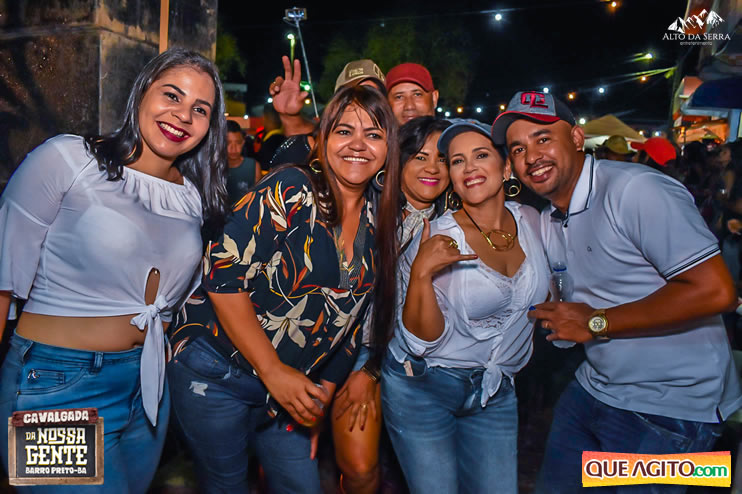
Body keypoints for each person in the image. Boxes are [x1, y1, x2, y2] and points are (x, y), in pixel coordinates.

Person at [0, 48, 229, 492]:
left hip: (147, 390)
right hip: (56, 384)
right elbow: (3, 276)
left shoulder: (191, 196)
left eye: (200, 109)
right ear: (142, 92)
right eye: (172, 95)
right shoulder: (69, 159)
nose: (183, 115)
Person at [491, 90, 742, 493]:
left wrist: (596, 322)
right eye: (518, 148)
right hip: (596, 387)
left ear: (576, 138)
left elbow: (716, 291)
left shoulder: (635, 190)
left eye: (543, 138)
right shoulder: (551, 219)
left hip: (672, 410)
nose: (531, 156)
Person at [166, 84, 400, 494]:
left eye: (373, 134)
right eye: (344, 131)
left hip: (291, 391)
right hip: (216, 373)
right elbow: (221, 275)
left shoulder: (377, 220)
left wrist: (318, 400)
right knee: (227, 486)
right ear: (321, 140)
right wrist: (272, 371)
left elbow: (348, 325)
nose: (357, 144)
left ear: (388, 149)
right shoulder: (292, 188)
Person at [382, 119, 549, 494]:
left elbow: (556, 283)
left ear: (505, 168)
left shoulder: (533, 222)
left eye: (481, 155)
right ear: (453, 179)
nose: (469, 167)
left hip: (496, 390)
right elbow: (420, 342)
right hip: (423, 386)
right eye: (457, 161)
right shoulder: (436, 237)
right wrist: (421, 273)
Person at [331, 116, 452, 494]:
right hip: (348, 347)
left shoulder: (453, 225)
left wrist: (372, 371)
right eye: (420, 157)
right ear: (398, 161)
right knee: (360, 469)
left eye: (443, 158)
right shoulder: (364, 210)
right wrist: (366, 368)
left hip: (416, 359)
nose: (433, 168)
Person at [268, 57, 387, 169]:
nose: (357, 146)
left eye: (373, 97)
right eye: (353, 95)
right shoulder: (307, 154)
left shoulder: (394, 157)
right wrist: (290, 118)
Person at [225, 120, 261, 204]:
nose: (233, 148)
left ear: (243, 143)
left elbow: (258, 199)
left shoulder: (253, 167)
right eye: (228, 143)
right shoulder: (213, 168)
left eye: (238, 143)